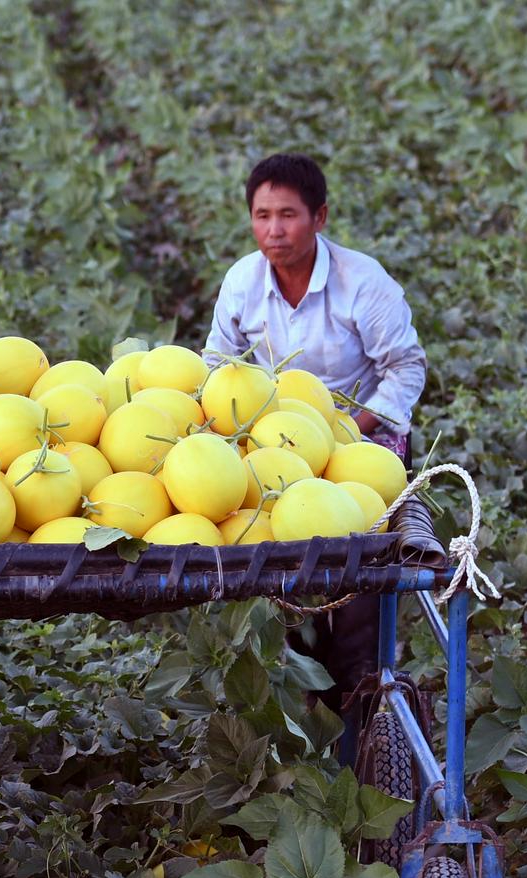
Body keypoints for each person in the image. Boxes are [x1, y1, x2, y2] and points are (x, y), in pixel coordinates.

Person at [204, 153, 428, 728]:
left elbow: (405, 368)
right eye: (261, 215)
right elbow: (214, 368)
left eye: (288, 215)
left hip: (356, 443)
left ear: (319, 217)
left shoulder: (363, 282)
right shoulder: (242, 282)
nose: (273, 230)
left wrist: (352, 430)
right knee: (274, 575)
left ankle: (358, 696)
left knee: (354, 587)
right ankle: (296, 685)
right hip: (271, 447)